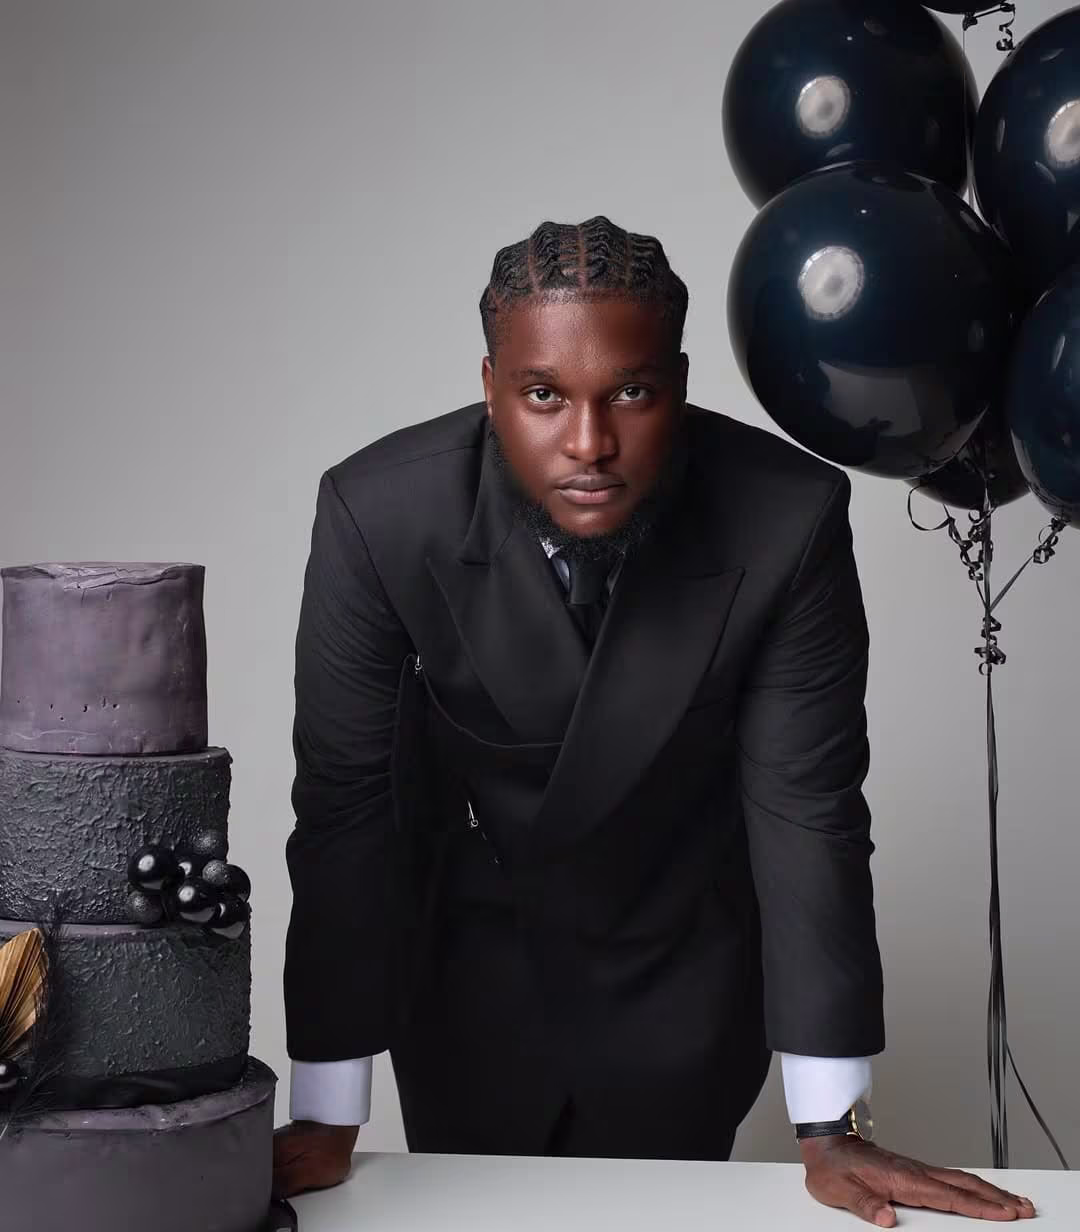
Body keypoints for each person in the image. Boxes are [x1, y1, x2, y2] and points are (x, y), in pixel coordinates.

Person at [272, 216, 1036, 1226]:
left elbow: (807, 809)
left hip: (684, 977)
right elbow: (346, 808)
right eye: (544, 395)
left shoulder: (785, 513)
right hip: (463, 976)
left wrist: (832, 1126)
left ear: (677, 381)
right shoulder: (378, 512)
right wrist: (327, 1107)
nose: (589, 444)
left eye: (630, 393)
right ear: (491, 386)